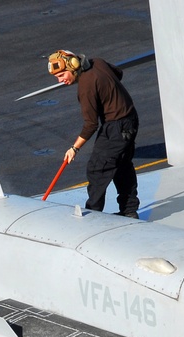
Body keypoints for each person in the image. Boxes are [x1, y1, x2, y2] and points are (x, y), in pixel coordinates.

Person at [48, 50, 140, 219]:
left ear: (73, 67)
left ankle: (93, 216)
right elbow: (118, 74)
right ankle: (129, 211)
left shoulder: (86, 86)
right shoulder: (98, 62)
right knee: (121, 165)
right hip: (131, 119)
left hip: (115, 127)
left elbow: (90, 125)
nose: (61, 80)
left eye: (61, 75)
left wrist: (74, 148)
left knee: (98, 169)